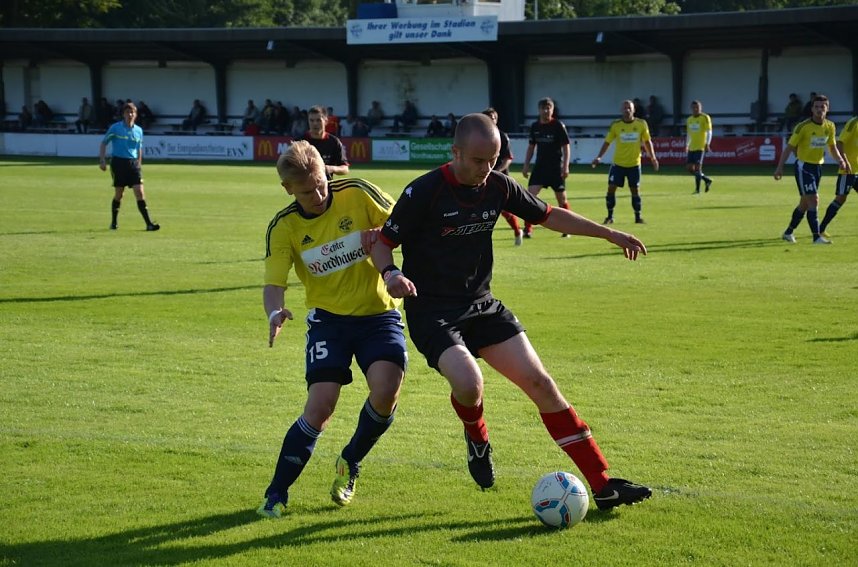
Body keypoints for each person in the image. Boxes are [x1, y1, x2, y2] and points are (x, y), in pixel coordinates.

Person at [365, 113, 652, 510]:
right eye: (479, 160)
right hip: (432, 311)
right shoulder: (424, 192)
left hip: (482, 305)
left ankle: (603, 484)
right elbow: (382, 243)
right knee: (469, 383)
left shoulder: (498, 186)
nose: (486, 170)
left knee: (542, 384)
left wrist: (608, 232)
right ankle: (477, 438)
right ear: (456, 152)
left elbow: (549, 215)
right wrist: (391, 273)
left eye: (494, 160)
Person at [257, 140, 407, 518]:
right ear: (288, 189)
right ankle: (276, 494)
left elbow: (406, 219)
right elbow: (274, 282)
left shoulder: (356, 192)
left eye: (322, 182)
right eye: (307, 191)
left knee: (386, 391)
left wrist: (388, 239)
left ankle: (350, 459)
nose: (319, 194)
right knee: (320, 407)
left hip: (379, 315)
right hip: (329, 321)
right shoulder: (284, 227)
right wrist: (274, 312)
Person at [774, 94, 849, 245]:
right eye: (816, 107)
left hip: (817, 167)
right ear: (812, 109)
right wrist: (780, 168)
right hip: (804, 167)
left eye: (822, 107)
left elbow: (832, 146)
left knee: (805, 204)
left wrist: (840, 160)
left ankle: (788, 232)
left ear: (827, 109)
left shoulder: (830, 126)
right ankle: (816, 237)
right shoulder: (803, 127)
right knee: (814, 199)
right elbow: (789, 148)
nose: (819, 110)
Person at [591, 99, 659, 224]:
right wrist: (599, 156)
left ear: (634, 110)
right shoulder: (616, 125)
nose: (627, 110)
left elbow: (647, 142)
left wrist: (653, 157)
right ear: (621, 110)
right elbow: (607, 142)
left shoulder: (641, 124)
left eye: (629, 108)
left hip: (634, 164)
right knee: (611, 188)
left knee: (635, 190)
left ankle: (638, 217)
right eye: (625, 108)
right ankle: (610, 216)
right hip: (618, 164)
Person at [98, 102, 159, 232]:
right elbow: (103, 143)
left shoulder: (139, 131)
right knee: (119, 194)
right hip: (118, 163)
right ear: (123, 114)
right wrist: (102, 161)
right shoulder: (115, 128)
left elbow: (139, 149)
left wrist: (139, 164)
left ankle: (149, 224)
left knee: (140, 192)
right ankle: (114, 222)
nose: (130, 115)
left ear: (136, 115)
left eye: (132, 112)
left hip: (133, 164)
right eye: (127, 112)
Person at [521, 97, 571, 238]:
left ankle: (567, 228)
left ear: (553, 109)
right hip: (540, 169)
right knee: (529, 198)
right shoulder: (535, 126)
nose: (546, 110)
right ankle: (528, 229)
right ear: (539, 110)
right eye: (543, 108)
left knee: (562, 200)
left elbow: (566, 147)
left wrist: (565, 166)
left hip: (555, 169)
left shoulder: (558, 126)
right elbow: (531, 147)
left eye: (548, 107)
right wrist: (526, 165)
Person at [483, 106, 522, 245]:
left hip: (499, 179)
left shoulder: (503, 137)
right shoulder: (479, 137)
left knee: (504, 209)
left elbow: (508, 158)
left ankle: (518, 231)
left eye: (493, 118)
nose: (491, 120)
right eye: (488, 118)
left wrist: (497, 171)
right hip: (482, 178)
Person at [819, 115, 858, 237]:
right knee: (841, 198)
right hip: (848, 170)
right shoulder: (853, 123)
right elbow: (840, 143)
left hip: (857, 169)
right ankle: (821, 229)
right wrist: (845, 161)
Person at [301, 105, 349, 180]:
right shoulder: (299, 142)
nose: (315, 123)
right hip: (303, 189)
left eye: (318, 120)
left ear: (326, 121)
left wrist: (331, 168)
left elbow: (345, 168)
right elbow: (288, 166)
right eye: (311, 120)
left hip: (326, 188)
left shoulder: (334, 142)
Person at [685, 100, 714, 194]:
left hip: (700, 147)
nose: (695, 109)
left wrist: (707, 143)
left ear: (700, 108)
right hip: (692, 147)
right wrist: (687, 144)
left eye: (697, 107)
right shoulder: (689, 119)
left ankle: (697, 190)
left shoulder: (705, 117)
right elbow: (689, 133)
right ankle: (706, 180)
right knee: (689, 168)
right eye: (693, 107)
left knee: (697, 168)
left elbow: (709, 131)